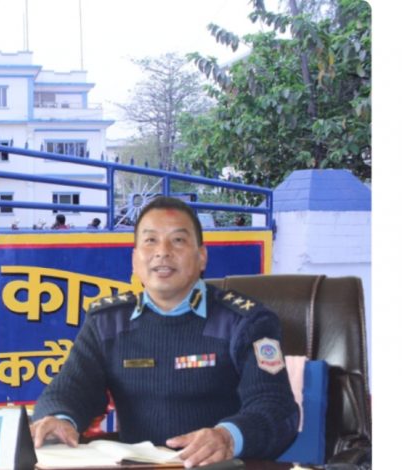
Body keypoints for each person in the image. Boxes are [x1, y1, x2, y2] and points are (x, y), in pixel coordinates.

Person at [30, 196, 299, 467]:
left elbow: (276, 407)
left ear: (202, 257)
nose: (163, 251)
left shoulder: (246, 322)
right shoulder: (107, 322)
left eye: (178, 240)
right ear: (135, 260)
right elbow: (71, 389)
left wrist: (228, 437)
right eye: (150, 240)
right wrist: (58, 419)